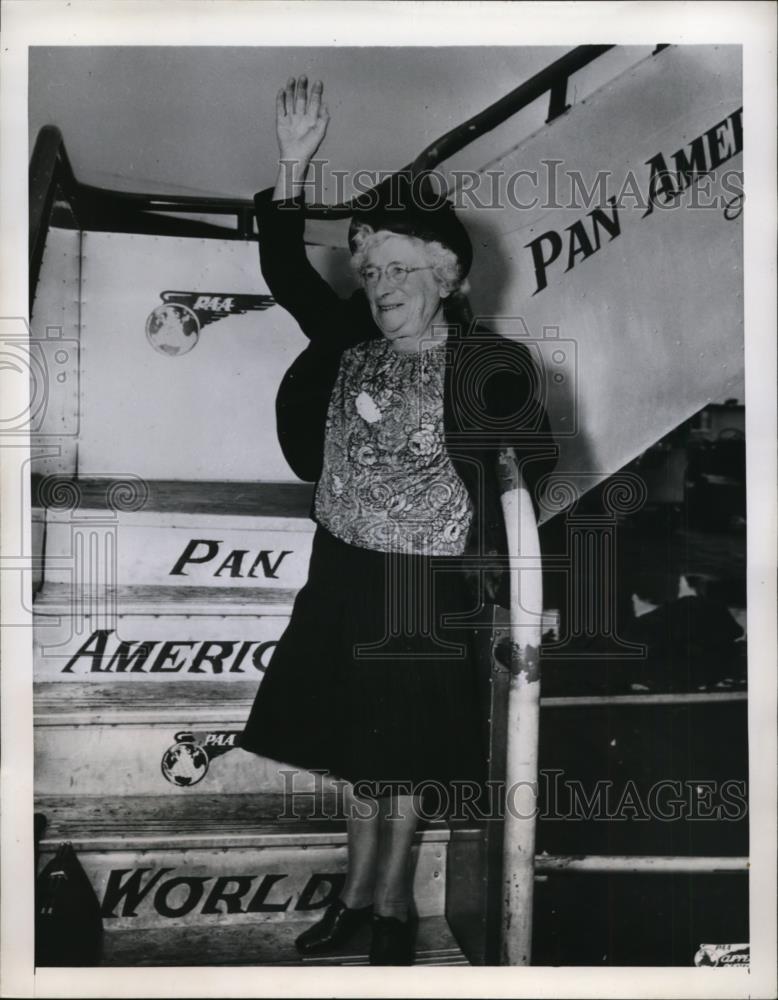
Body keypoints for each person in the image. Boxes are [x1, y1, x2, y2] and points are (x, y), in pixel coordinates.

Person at [239, 76, 556, 965]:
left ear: (448, 273)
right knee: (357, 749)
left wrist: (533, 583)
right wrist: (292, 170)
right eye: (371, 270)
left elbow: (533, 473)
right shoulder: (350, 339)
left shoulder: (489, 359)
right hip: (345, 568)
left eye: (399, 269)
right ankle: (356, 899)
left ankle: (388, 912)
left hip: (427, 580)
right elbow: (285, 270)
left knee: (404, 754)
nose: (380, 283)